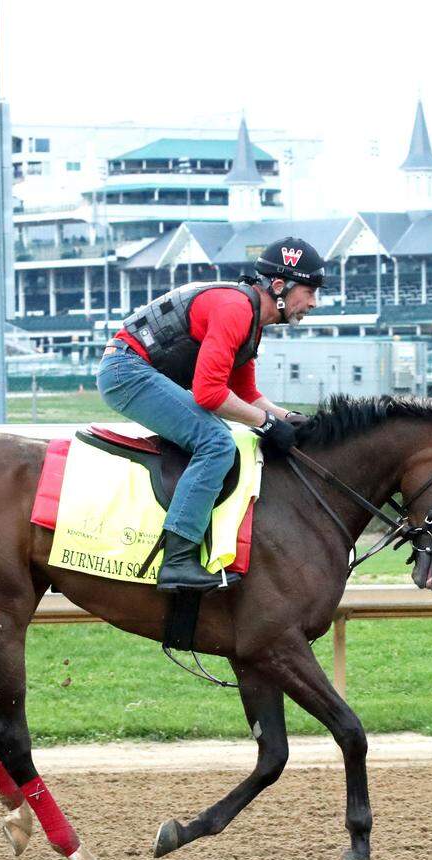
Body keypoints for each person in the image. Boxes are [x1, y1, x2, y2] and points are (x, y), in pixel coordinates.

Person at [96, 236, 325, 593]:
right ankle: (177, 560)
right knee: (217, 441)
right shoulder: (236, 310)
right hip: (126, 370)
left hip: (136, 367)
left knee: (222, 434)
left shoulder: (251, 322)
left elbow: (246, 395)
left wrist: (288, 417)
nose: (313, 302)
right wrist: (265, 424)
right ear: (280, 286)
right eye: (309, 291)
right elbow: (209, 394)